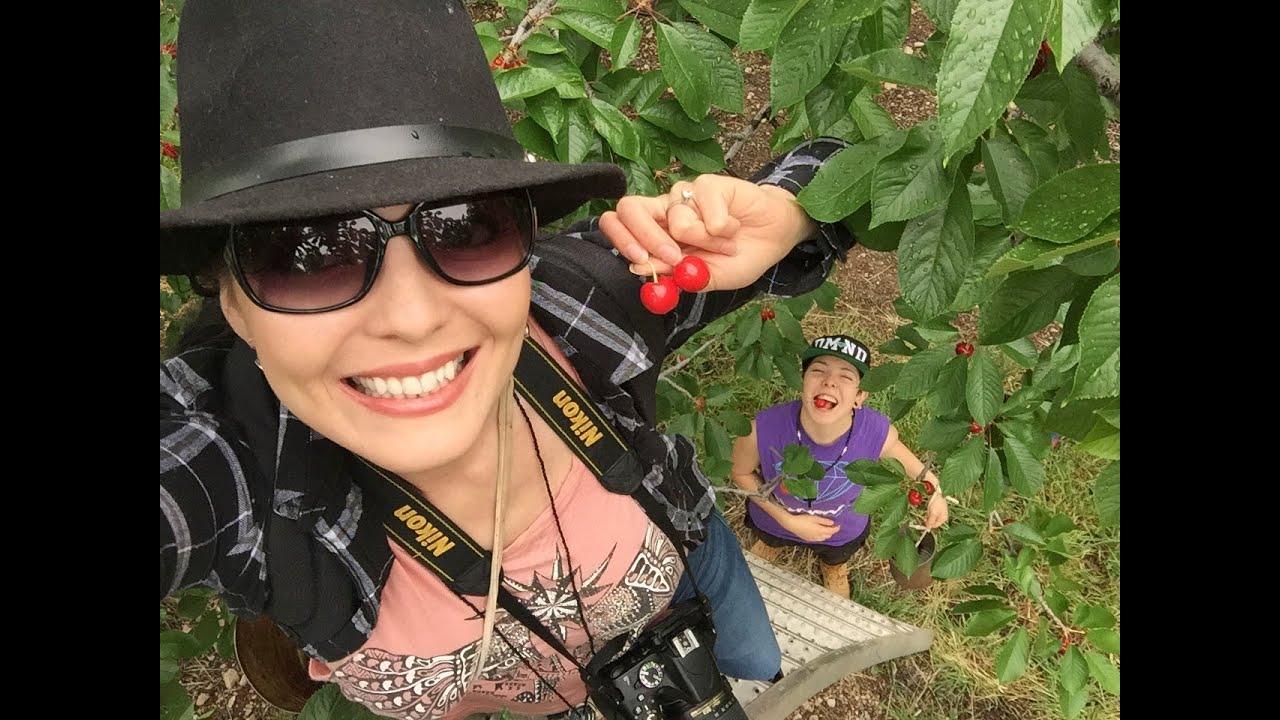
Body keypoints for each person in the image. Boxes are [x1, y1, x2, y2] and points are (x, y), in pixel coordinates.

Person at [159, 2, 858, 718]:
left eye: (467, 228)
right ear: (232, 303)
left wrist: (789, 208)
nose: (413, 317)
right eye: (306, 254)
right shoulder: (242, 464)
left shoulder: (577, 307)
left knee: (755, 666)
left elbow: (860, 168)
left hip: (692, 583)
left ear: (525, 246)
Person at [729, 335, 949, 599]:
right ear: (802, 383)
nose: (829, 381)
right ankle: (771, 545)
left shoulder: (876, 433)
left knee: (836, 555)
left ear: (859, 396)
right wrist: (787, 520)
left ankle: (833, 566)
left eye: (845, 377)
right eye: (818, 370)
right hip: (775, 520)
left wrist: (936, 492)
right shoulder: (762, 429)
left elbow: (917, 470)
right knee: (772, 537)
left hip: (841, 530)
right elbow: (740, 472)